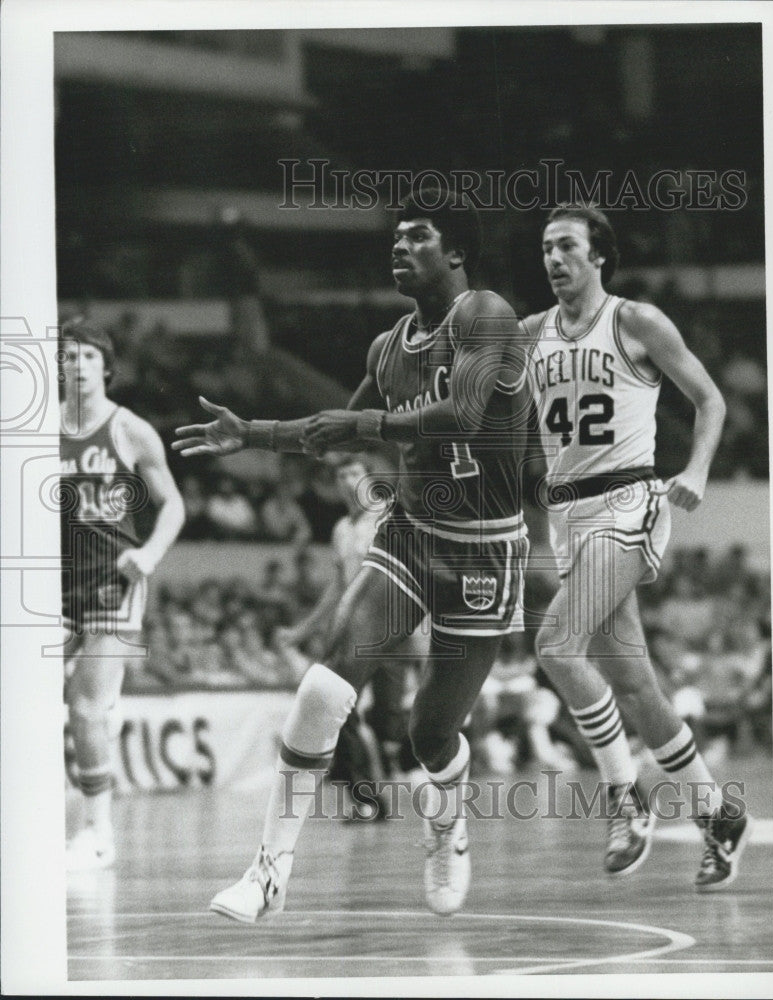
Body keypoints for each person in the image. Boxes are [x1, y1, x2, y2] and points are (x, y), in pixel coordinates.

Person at [174, 189, 530, 920]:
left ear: (455, 251)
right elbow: (336, 430)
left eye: (418, 236)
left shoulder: (487, 315)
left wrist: (364, 418)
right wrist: (255, 433)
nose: (399, 247)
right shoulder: (387, 346)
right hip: (409, 532)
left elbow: (460, 412)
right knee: (321, 688)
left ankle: (447, 823)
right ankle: (268, 871)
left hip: (485, 553)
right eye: (395, 237)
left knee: (430, 736)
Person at [521, 204, 751, 891]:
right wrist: (535, 537)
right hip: (570, 516)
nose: (553, 258)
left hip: (629, 502)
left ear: (598, 256)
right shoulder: (531, 334)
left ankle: (624, 795)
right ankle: (716, 811)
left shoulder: (635, 321)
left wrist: (697, 470)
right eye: (544, 248)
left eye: (565, 246)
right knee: (634, 686)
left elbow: (709, 400)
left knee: (555, 646)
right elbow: (530, 447)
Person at [60, 318, 185, 869]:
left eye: (89, 356)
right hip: (51, 587)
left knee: (85, 707)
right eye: (69, 355)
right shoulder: (39, 431)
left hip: (114, 583)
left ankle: (97, 832)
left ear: (105, 368)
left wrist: (151, 554)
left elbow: (173, 504)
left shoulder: (130, 429)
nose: (79, 364)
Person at [275, 452, 409, 819]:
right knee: (335, 707)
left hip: (395, 628)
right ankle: (366, 799)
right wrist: (304, 630)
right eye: (340, 476)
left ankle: (408, 769)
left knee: (389, 722)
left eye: (354, 473)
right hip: (355, 633)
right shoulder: (341, 530)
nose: (347, 482)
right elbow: (337, 588)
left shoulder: (390, 516)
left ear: (370, 478)